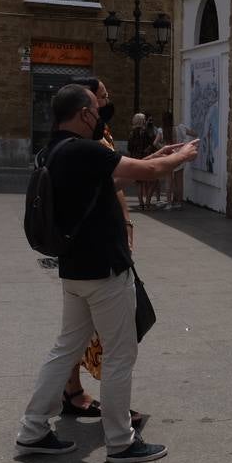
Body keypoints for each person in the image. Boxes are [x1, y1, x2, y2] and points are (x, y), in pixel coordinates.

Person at [15, 84, 198, 462]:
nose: (101, 115)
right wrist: (182, 155)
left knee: (65, 349)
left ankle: (32, 429)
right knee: (119, 355)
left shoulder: (54, 151)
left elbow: (107, 183)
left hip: (75, 270)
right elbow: (149, 171)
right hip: (104, 271)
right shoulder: (85, 149)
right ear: (84, 113)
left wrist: (159, 155)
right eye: (97, 109)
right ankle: (121, 441)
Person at [60, 78, 144, 423]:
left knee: (78, 337)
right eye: (102, 97)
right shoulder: (84, 143)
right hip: (95, 254)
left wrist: (126, 222)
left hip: (91, 250)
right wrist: (168, 159)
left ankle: (47, 413)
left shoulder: (94, 135)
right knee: (109, 342)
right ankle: (116, 425)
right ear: (86, 104)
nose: (107, 101)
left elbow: (113, 187)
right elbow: (115, 178)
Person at [128, 113, 157, 209]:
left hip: (135, 158)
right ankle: (148, 202)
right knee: (152, 180)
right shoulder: (146, 131)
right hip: (146, 158)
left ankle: (141, 203)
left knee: (139, 182)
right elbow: (152, 143)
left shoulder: (132, 132)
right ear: (142, 121)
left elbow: (129, 147)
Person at [162, 110, 189, 209]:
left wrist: (163, 147)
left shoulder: (163, 131)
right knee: (179, 181)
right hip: (179, 156)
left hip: (169, 156)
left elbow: (155, 143)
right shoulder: (180, 128)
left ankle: (169, 203)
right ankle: (178, 202)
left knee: (169, 181)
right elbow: (194, 133)